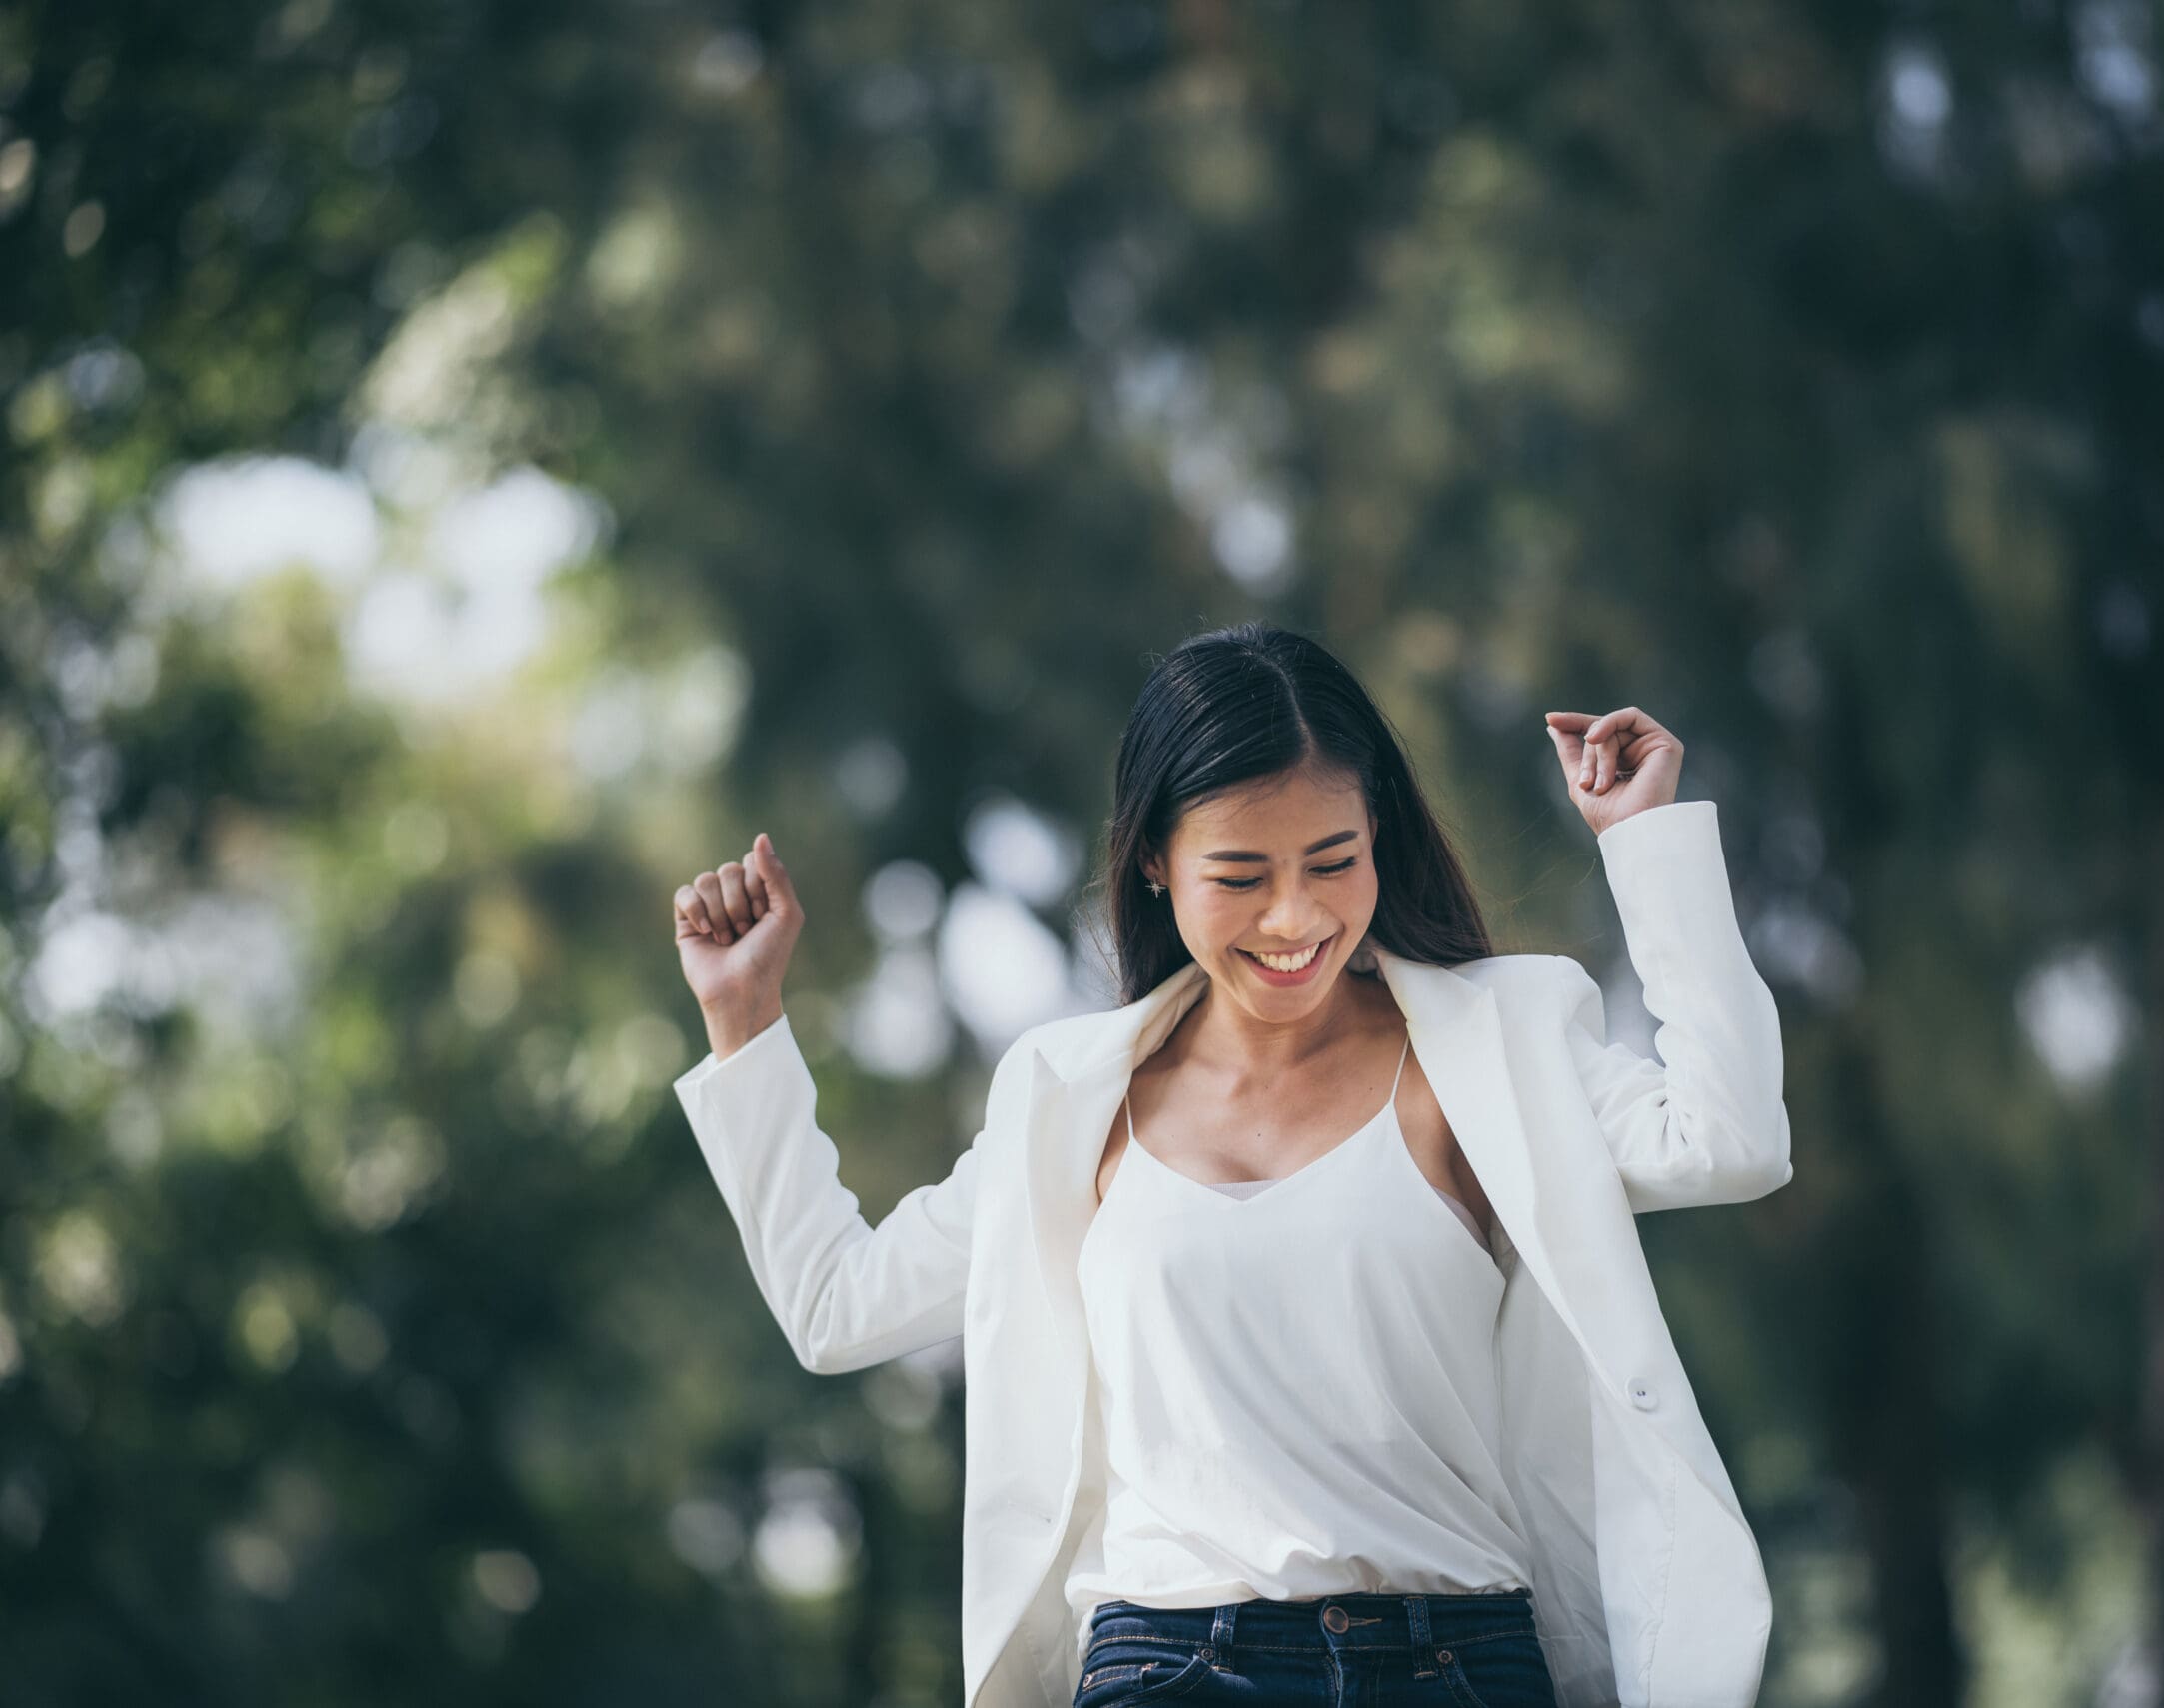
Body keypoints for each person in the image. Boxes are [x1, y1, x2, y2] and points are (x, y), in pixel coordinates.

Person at [668, 622, 1795, 1708]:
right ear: (1156, 858)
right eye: (1241, 874)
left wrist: (1641, 840)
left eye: (1333, 860)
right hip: (1167, 1665)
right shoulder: (1066, 1101)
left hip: (1454, 1664)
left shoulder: (1497, 1044)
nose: (1295, 915)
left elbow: (1730, 1139)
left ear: (1380, 840)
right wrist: (744, 1023)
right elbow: (834, 1305)